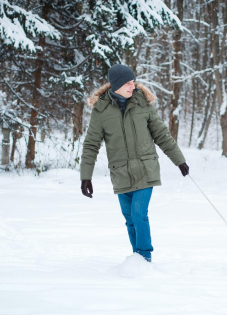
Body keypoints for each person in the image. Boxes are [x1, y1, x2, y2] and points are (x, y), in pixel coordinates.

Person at [80, 65, 189, 262]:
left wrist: (179, 160)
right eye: (128, 83)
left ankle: (145, 258)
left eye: (133, 82)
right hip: (120, 173)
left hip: (146, 170)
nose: (133, 86)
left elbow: (161, 134)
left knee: (139, 214)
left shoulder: (142, 104)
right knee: (130, 219)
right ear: (117, 85)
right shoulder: (101, 110)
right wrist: (85, 176)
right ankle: (137, 258)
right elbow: (91, 145)